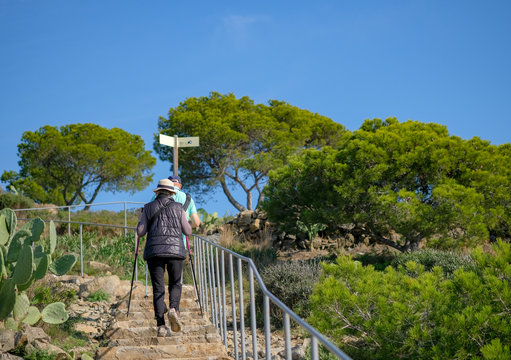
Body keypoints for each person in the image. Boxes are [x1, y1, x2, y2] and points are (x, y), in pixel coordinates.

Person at [137, 178, 192, 337]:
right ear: (171, 192)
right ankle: (174, 309)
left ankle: (161, 325)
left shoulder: (148, 208)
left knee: (158, 288)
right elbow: (187, 231)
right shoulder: (179, 207)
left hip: (154, 252)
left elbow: (140, 232)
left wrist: (141, 220)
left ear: (157, 192)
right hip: (175, 251)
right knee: (175, 283)